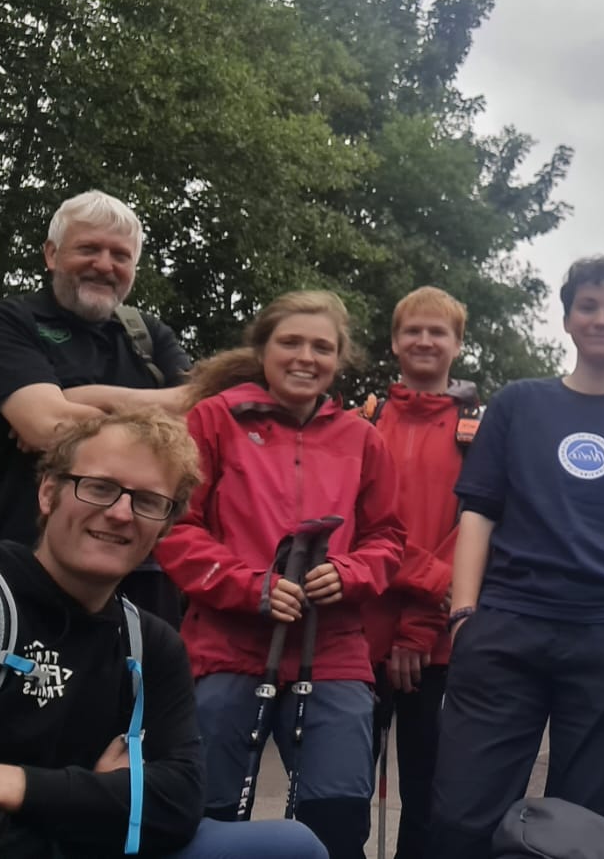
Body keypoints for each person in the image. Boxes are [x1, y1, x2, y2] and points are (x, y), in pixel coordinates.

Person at [0, 411, 327, 859]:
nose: (120, 513)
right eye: (98, 487)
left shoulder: (149, 643)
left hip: (76, 838)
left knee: (292, 847)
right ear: (48, 493)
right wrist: (104, 800)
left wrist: (23, 786)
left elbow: (180, 800)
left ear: (166, 524)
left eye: (149, 501)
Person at [427, 256, 604, 859]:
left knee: (584, 834)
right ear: (569, 319)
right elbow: (478, 513)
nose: (602, 318)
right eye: (589, 306)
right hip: (506, 625)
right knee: (460, 818)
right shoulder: (518, 405)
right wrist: (465, 615)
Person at [156, 291, 404, 859]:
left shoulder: (362, 437)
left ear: (339, 359)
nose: (305, 357)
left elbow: (388, 538)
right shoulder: (214, 419)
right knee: (207, 807)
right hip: (226, 643)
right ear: (263, 348)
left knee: (338, 811)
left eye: (322, 347)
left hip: (334, 647)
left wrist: (349, 572)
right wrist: (250, 585)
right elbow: (175, 526)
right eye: (290, 342)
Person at [0, 190, 192, 624]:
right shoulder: (10, 322)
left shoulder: (150, 334)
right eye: (89, 248)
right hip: (27, 562)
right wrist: (154, 424)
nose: (105, 265)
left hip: (142, 572)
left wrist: (80, 399)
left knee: (139, 687)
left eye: (120, 255)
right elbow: (43, 426)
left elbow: (200, 419)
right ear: (52, 254)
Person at [361, 286, 482, 858]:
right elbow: (356, 525)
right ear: (395, 341)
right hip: (357, 635)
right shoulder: (363, 419)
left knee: (428, 793)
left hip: (436, 642)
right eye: (414, 330)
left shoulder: (480, 429)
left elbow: (480, 533)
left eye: (439, 331)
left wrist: (419, 624)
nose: (425, 340)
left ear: (458, 344)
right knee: (342, 787)